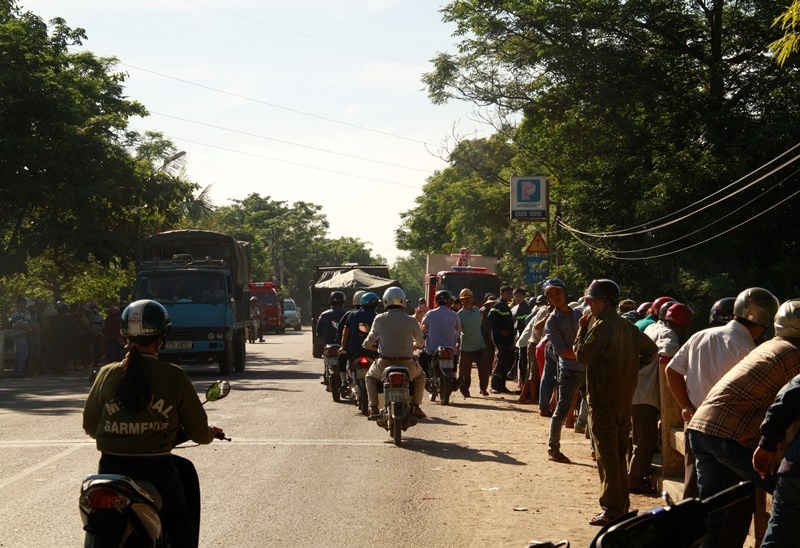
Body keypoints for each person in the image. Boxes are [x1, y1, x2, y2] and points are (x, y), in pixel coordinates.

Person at [82, 299, 223, 548]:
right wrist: (210, 434)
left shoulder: (106, 374)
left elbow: (90, 426)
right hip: (157, 471)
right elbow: (198, 433)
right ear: (162, 336)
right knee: (180, 520)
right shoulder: (174, 376)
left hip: (110, 469)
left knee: (95, 520)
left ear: (125, 336)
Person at [687, 297, 799, 548]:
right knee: (789, 493)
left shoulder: (768, 346)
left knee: (713, 514)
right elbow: (790, 404)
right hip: (728, 434)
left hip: (702, 428)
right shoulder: (794, 355)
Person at [665, 287, 781, 500]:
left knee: (700, 493)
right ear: (764, 324)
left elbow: (671, 370)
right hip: (731, 435)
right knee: (734, 499)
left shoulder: (700, 336)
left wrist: (685, 405)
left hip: (695, 423)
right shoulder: (750, 352)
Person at [573, 279, 658, 526]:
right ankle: (621, 505)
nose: (589, 305)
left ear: (605, 301)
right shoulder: (626, 325)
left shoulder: (600, 326)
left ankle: (612, 509)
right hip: (623, 399)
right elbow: (650, 350)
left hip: (603, 400)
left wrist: (581, 330)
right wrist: (629, 368)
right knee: (619, 454)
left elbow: (583, 356)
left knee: (607, 456)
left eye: (592, 300)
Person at [628, 302, 693, 494]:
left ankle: (637, 472)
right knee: (645, 439)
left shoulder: (653, 327)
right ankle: (634, 479)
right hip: (645, 393)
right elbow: (668, 353)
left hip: (636, 388)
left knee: (640, 436)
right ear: (682, 325)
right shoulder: (668, 334)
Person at [753, 300, 800, 547]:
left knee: (779, 537)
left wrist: (767, 443)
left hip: (796, 470)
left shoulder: (767, 348)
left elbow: (789, 397)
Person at [362, 287, 426, 420]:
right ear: (403, 301)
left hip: (384, 363)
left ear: (385, 301)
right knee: (421, 377)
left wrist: (367, 345)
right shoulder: (411, 320)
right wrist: (416, 345)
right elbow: (420, 342)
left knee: (369, 377)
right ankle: (416, 406)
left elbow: (370, 340)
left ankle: (373, 407)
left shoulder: (379, 319)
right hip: (407, 363)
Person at [541, 278, 586, 464]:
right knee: (561, 410)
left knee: (594, 408)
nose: (555, 297)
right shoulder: (552, 322)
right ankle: (553, 449)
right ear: (548, 300)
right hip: (570, 371)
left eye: (558, 292)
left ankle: (596, 448)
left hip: (587, 368)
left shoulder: (579, 315)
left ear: (565, 293)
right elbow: (562, 351)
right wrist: (587, 355)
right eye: (551, 295)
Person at [420, 290, 462, 401]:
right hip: (450, 349)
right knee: (454, 361)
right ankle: (454, 378)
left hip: (432, 350)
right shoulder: (454, 315)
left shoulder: (430, 314)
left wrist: (420, 339)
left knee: (421, 359)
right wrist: (454, 339)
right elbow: (458, 331)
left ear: (437, 301)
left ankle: (425, 380)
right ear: (448, 302)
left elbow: (423, 329)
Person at [456, 288, 490, 397]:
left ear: (472, 298)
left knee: (484, 368)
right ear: (461, 301)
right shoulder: (459, 315)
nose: (467, 300)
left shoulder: (476, 310)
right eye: (464, 299)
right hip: (466, 346)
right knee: (465, 371)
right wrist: (457, 343)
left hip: (480, 345)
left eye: (469, 298)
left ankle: (483, 389)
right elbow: (457, 331)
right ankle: (465, 390)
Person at [315, 291, 347, 387]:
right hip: (342, 346)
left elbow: (318, 332)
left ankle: (326, 374)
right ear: (343, 301)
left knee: (326, 359)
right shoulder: (347, 314)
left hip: (328, 346)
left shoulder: (324, 315)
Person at [489, 286, 516, 394]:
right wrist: (501, 331)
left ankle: (502, 386)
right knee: (501, 362)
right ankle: (494, 386)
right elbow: (491, 319)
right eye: (507, 293)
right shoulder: (498, 305)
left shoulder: (505, 306)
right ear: (501, 293)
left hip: (507, 340)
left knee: (506, 362)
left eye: (510, 293)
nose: (509, 295)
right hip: (501, 340)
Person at [9, 296, 32, 377]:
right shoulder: (17, 313)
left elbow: (28, 322)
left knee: (20, 354)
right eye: (21, 303)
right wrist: (29, 330)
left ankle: (17, 371)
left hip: (23, 335)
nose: (23, 305)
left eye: (24, 303)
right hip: (19, 335)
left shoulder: (24, 313)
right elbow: (21, 324)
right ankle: (19, 371)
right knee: (24, 353)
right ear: (17, 304)